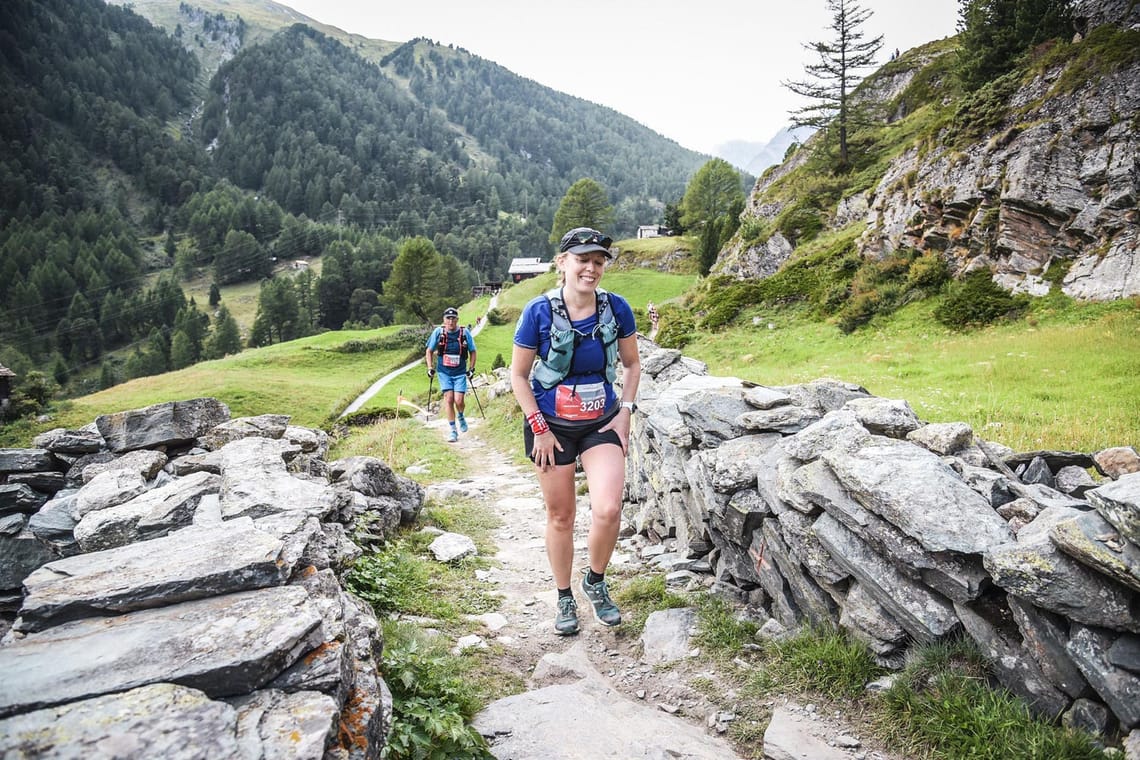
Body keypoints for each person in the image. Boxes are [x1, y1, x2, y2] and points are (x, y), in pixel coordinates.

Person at [510, 227, 641, 635]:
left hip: (602, 421)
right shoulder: (538, 312)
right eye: (582, 259)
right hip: (551, 427)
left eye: (598, 261)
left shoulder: (617, 308)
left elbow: (632, 365)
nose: (591, 268)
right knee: (561, 516)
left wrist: (625, 412)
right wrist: (540, 428)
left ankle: (595, 582)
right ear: (562, 263)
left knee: (608, 509)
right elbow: (518, 375)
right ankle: (565, 596)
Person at [425, 307, 477, 442]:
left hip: (460, 372)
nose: (450, 321)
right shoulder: (438, 332)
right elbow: (429, 351)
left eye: (453, 318)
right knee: (449, 399)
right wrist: (430, 367)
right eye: (448, 318)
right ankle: (453, 430)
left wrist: (471, 368)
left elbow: (473, 351)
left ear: (457, 320)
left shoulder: (465, 333)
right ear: (444, 320)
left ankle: (460, 415)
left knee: (459, 400)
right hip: (444, 372)